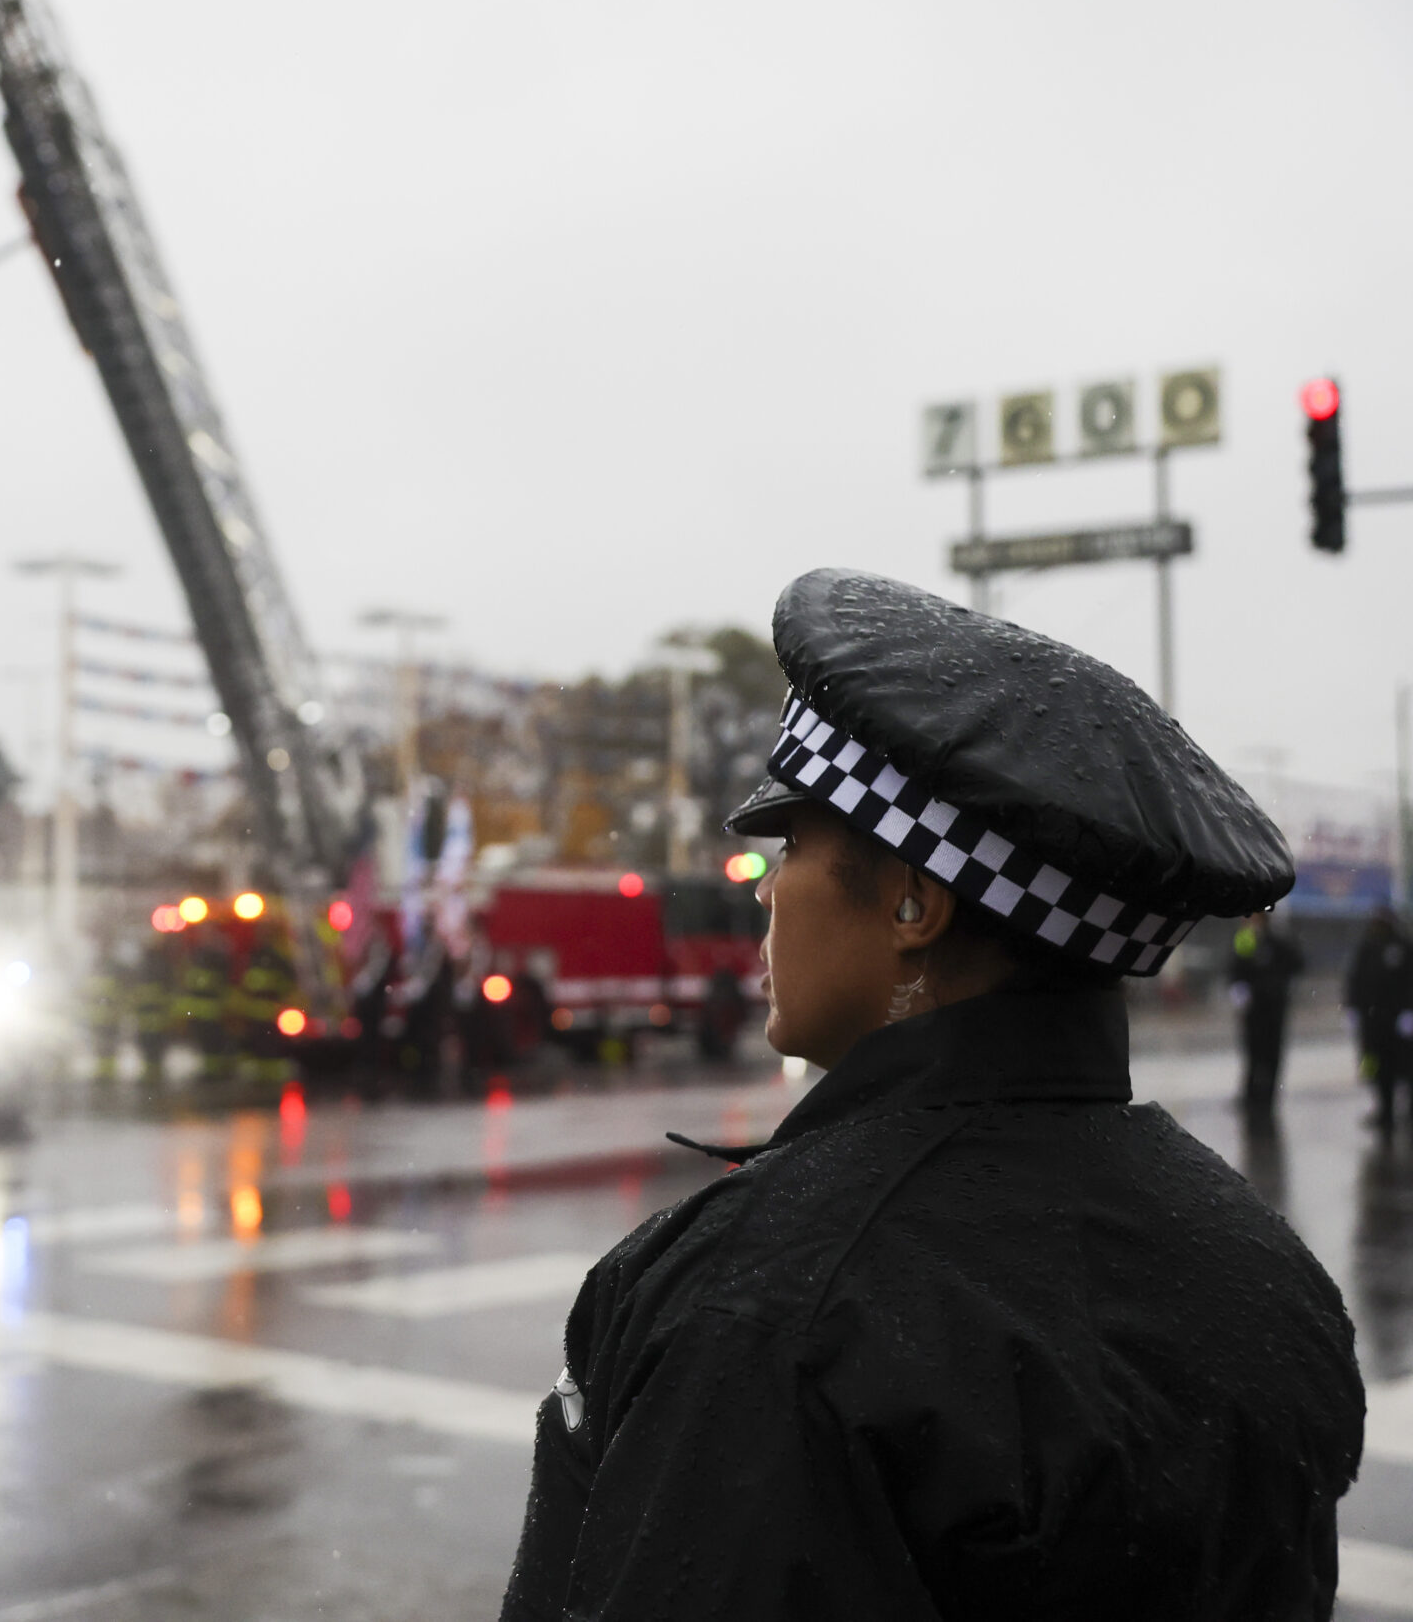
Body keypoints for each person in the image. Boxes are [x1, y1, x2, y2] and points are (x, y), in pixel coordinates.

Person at [500, 568, 1362, 1622]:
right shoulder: (1262, 1269)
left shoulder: (764, 1305)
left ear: (913, 901)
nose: (769, 890)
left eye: (793, 846)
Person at [1229, 908, 1307, 1121]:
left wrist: (1281, 985)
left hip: (1274, 1008)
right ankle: (1251, 1096)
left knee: (1272, 1054)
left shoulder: (1278, 941)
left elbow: (1297, 963)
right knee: (1253, 1053)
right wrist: (1238, 987)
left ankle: (1268, 1099)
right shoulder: (1246, 939)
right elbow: (1237, 965)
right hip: (1254, 1009)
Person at [1349, 905, 1413, 1131]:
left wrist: (1408, 1010)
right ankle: (1384, 1110)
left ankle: (1406, 1110)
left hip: (1398, 1021)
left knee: (1404, 1067)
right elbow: (1355, 979)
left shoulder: (1403, 946)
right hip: (1373, 1021)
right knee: (1374, 1066)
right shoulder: (1368, 946)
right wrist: (1353, 1008)